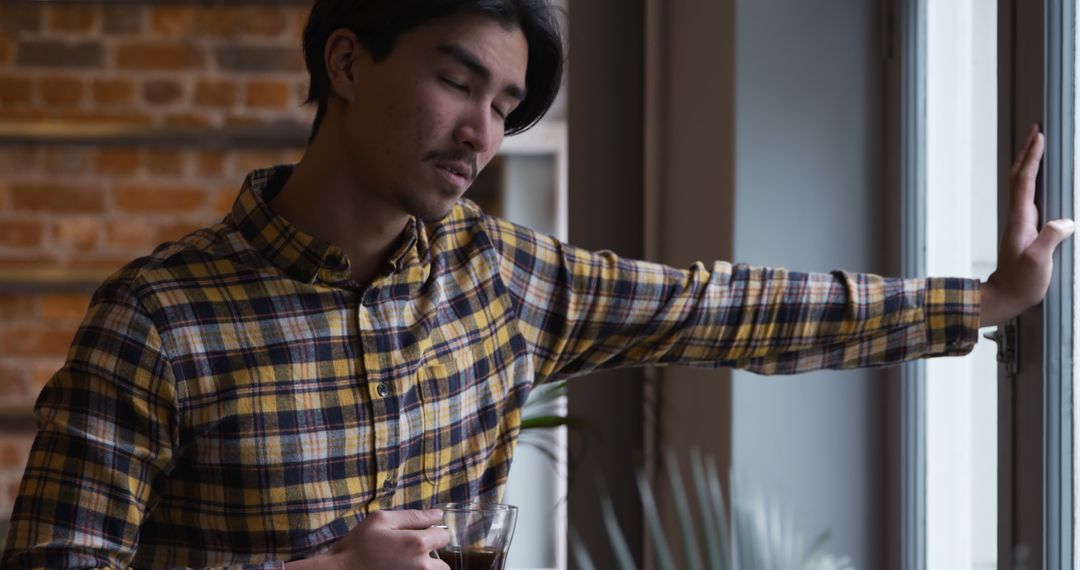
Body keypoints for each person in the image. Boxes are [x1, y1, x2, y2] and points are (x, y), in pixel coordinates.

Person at [1, 0, 1073, 568]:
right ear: (344, 63)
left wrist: (979, 302)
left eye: (508, 106)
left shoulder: (506, 279)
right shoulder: (161, 319)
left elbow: (728, 307)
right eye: (457, 80)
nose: (483, 132)